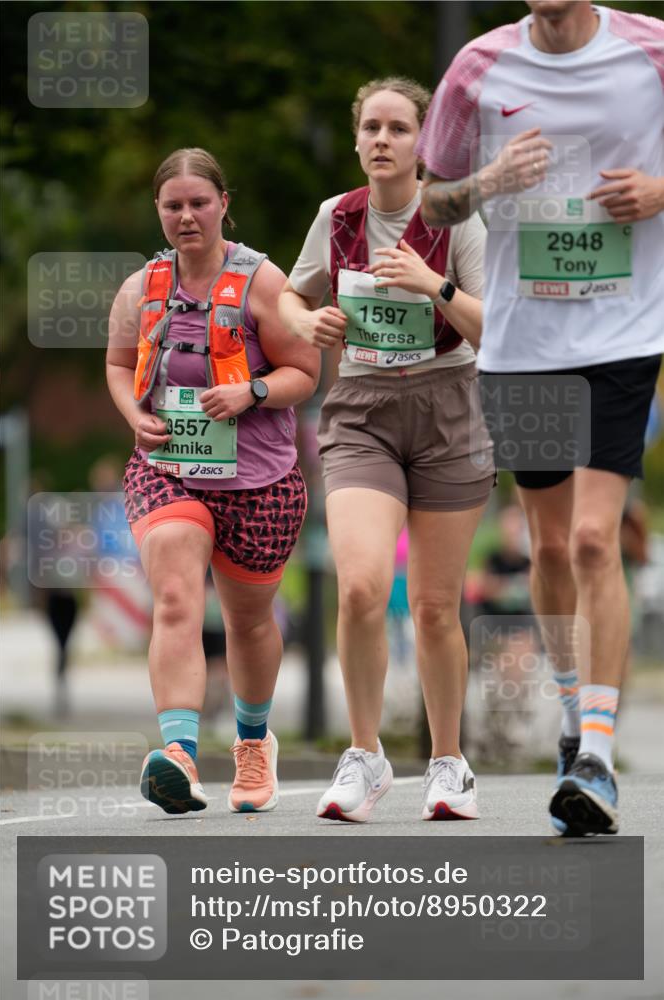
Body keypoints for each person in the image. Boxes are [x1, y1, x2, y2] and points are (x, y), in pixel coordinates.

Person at [418, 1, 664, 834]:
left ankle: (596, 753)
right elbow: (432, 202)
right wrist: (488, 182)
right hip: (521, 345)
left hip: (624, 330)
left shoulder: (650, 50)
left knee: (597, 538)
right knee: (549, 546)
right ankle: (570, 720)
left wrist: (659, 189)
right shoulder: (480, 67)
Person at [279, 77, 495, 822]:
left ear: (423, 141)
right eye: (369, 127)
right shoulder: (335, 217)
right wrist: (308, 327)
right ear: (356, 139)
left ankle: (447, 763)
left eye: (397, 128)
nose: (381, 139)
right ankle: (364, 757)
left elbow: (490, 328)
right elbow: (290, 294)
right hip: (362, 410)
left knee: (435, 607)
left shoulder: (456, 215)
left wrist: (432, 284)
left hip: (447, 410)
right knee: (362, 585)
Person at [107, 148, 319, 815]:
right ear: (159, 212)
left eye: (199, 202)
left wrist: (250, 392)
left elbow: (304, 371)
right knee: (175, 594)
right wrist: (133, 414)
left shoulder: (261, 281)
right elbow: (117, 364)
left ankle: (253, 745)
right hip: (168, 470)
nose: (186, 215)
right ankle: (178, 754)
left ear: (223, 203)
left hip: (260, 481)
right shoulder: (142, 286)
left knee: (248, 621)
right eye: (173, 205)